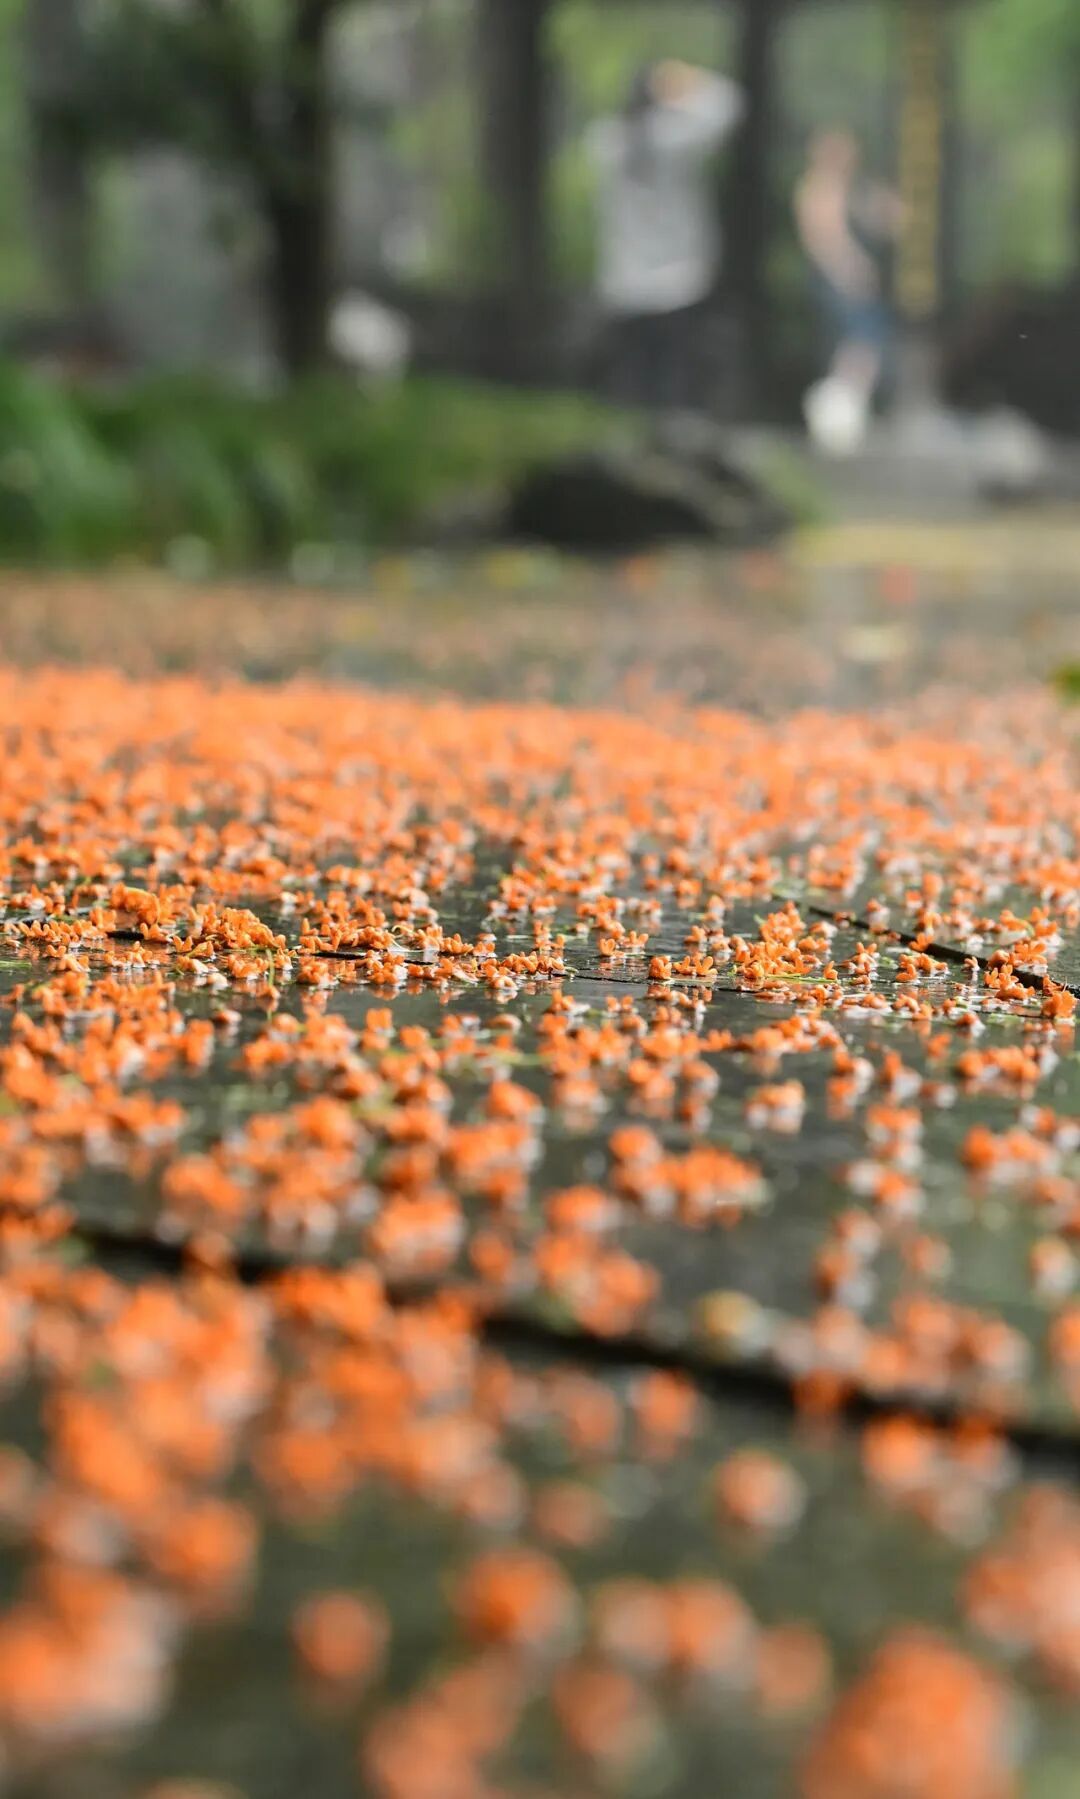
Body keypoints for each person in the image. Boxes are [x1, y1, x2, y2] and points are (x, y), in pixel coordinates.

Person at [587, 60, 744, 429]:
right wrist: (682, 80)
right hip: (678, 278)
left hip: (624, 278)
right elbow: (730, 103)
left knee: (632, 376)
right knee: (676, 375)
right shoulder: (674, 138)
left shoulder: (605, 141)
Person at [795, 129, 904, 455]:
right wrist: (849, 270)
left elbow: (894, 218)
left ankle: (848, 414)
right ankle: (837, 416)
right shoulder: (818, 188)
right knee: (858, 346)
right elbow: (823, 237)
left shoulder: (857, 188)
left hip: (852, 284)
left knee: (863, 347)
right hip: (840, 283)